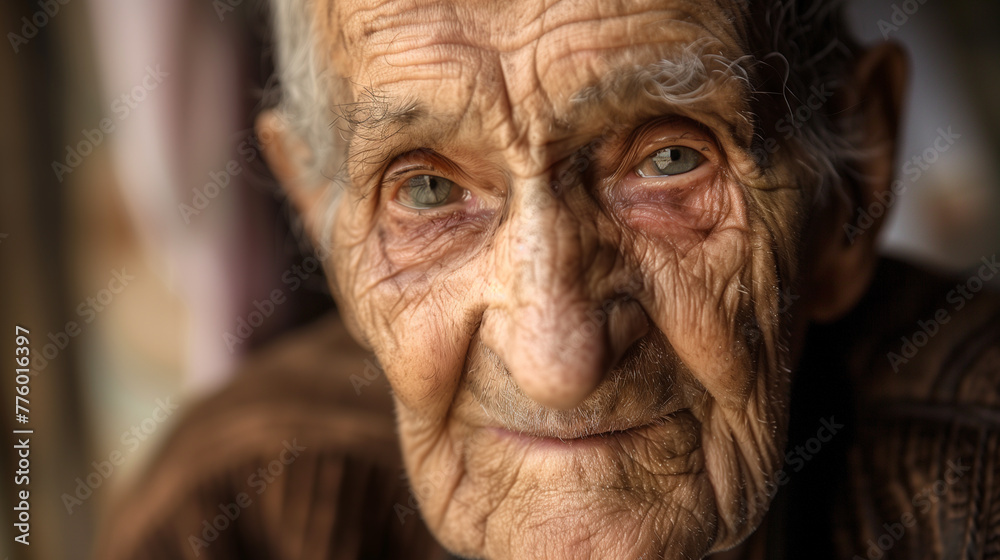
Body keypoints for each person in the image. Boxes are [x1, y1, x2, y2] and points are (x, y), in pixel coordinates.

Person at [97, 0, 1000, 558]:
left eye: (671, 159)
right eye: (425, 188)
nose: (556, 361)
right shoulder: (228, 524)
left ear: (851, 183)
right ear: (324, 221)